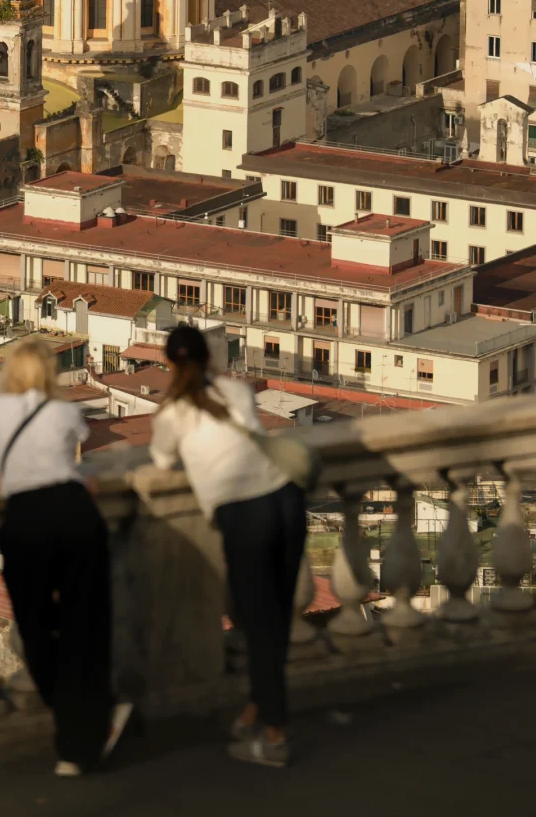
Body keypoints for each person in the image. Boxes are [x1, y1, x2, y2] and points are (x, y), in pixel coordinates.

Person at [149, 323, 306, 769]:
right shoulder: (237, 392)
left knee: (259, 627)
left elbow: (162, 461)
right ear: (210, 357)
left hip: (245, 514)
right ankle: (259, 709)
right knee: (270, 618)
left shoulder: (172, 415)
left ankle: (274, 735)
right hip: (286, 501)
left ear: (168, 363)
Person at [0, 336, 129, 776]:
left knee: (33, 628)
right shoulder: (66, 412)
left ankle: (76, 730)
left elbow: (0, 478)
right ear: (50, 373)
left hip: (24, 519)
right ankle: (85, 735)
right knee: (85, 624)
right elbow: (69, 459)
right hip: (72, 512)